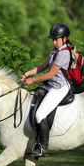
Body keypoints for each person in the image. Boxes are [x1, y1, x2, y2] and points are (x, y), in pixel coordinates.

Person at [20, 23, 72, 157]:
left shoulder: (64, 53)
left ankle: (43, 147)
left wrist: (32, 80)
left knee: (40, 114)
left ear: (64, 39)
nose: (54, 42)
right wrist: (28, 73)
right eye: (53, 39)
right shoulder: (55, 50)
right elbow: (44, 66)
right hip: (50, 86)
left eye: (56, 39)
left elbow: (50, 74)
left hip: (58, 88)